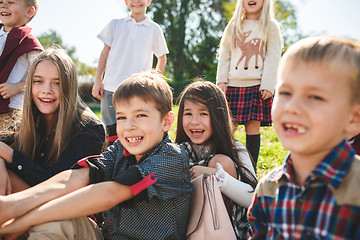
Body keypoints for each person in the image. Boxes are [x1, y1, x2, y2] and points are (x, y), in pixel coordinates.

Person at [0, 71, 192, 239]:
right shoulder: (120, 149)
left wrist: (21, 221)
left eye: (141, 116)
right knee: (59, 222)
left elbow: (111, 193)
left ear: (166, 121)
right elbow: (79, 176)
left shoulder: (170, 157)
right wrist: (13, 205)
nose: (129, 126)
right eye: (122, 117)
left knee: (50, 218)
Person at [248, 36, 360, 239]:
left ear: (354, 118)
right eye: (285, 92)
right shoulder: (268, 188)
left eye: (315, 96)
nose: (292, 107)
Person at [0, 48, 106, 194]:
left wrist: (9, 155)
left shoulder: (90, 129)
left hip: (64, 211)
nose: (47, 90)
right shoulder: (26, 123)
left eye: (57, 83)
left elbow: (57, 185)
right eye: (38, 81)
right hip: (25, 205)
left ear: (69, 86)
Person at [176, 80, 258, 239]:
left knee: (221, 161)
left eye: (203, 113)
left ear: (217, 116)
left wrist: (216, 176)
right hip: (189, 229)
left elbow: (253, 200)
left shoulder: (235, 149)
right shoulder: (178, 151)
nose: (194, 121)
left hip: (226, 227)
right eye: (188, 113)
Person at [216, 0, 282, 166]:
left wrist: (268, 85)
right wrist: (221, 81)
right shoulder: (234, 25)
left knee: (252, 127)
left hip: (257, 86)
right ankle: (225, 165)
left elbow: (273, 57)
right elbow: (225, 55)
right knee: (228, 128)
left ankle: (250, 169)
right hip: (232, 86)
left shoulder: (270, 27)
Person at [92, 0, 169, 138]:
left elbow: (162, 58)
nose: (136, 1)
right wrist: (98, 80)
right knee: (111, 130)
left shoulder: (154, 29)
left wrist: (154, 80)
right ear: (126, 2)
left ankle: (134, 158)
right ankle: (113, 157)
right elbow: (104, 54)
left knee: (134, 127)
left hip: (138, 90)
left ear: (148, 1)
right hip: (110, 87)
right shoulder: (115, 24)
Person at [0, 0, 43, 130]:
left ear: (29, 11)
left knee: (4, 146)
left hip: (11, 110)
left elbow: (42, 77)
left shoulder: (30, 43)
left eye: (10, 2)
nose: (3, 5)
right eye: (1, 1)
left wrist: (18, 87)